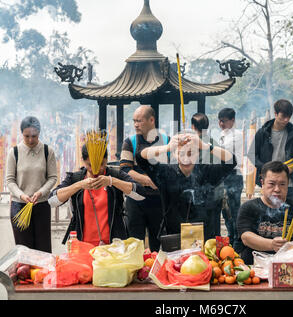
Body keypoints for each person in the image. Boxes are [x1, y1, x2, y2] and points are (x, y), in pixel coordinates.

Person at [136, 131, 236, 241]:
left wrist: (206, 146)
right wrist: (167, 147)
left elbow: (231, 160)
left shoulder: (207, 172)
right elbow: (141, 157)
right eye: (181, 154)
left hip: (204, 236)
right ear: (174, 154)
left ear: (198, 153)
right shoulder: (165, 173)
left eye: (190, 153)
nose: (186, 159)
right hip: (173, 236)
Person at [48, 144, 147, 246]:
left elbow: (141, 194)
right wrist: (79, 185)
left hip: (113, 246)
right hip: (82, 245)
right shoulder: (75, 178)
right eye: (90, 165)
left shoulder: (115, 175)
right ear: (83, 160)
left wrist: (111, 181)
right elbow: (52, 200)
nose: (96, 169)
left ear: (106, 159)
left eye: (101, 164)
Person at [236, 161, 293, 265]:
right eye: (271, 184)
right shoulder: (248, 207)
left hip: (290, 266)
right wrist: (272, 244)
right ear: (262, 183)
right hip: (254, 268)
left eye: (282, 184)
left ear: (288, 184)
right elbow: (246, 237)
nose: (277, 189)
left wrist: (289, 247)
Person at [119, 105, 169, 252]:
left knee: (158, 245)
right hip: (135, 200)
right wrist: (147, 180)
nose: (135, 124)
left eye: (139, 121)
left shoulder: (166, 141)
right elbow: (125, 169)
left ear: (151, 120)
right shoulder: (130, 142)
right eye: (134, 121)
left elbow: (172, 169)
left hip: (159, 202)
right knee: (134, 245)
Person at [6, 116, 58, 253]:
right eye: (26, 136)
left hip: (41, 205)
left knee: (43, 249)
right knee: (23, 250)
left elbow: (53, 178)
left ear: (39, 133)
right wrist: (22, 195)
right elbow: (10, 180)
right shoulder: (14, 152)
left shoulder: (48, 151)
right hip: (20, 206)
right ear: (21, 133)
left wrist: (40, 192)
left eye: (34, 136)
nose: (30, 140)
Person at [247, 99, 293, 201]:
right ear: (276, 114)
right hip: (269, 184)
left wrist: (289, 168)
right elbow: (251, 154)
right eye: (283, 116)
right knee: (269, 214)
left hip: (288, 184)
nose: (286, 120)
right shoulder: (262, 132)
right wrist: (266, 169)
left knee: (290, 214)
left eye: (288, 117)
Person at [191, 113, 223, 238]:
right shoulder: (214, 143)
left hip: (200, 193)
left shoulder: (193, 143)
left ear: (193, 126)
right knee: (215, 227)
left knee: (199, 229)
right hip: (216, 192)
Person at [217, 108, 244, 250]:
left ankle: (237, 242)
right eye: (220, 121)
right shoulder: (221, 134)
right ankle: (230, 237)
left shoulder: (237, 135)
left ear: (232, 121)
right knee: (225, 211)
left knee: (234, 211)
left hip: (234, 176)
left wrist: (210, 147)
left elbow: (225, 152)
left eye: (224, 121)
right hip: (223, 176)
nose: (221, 123)